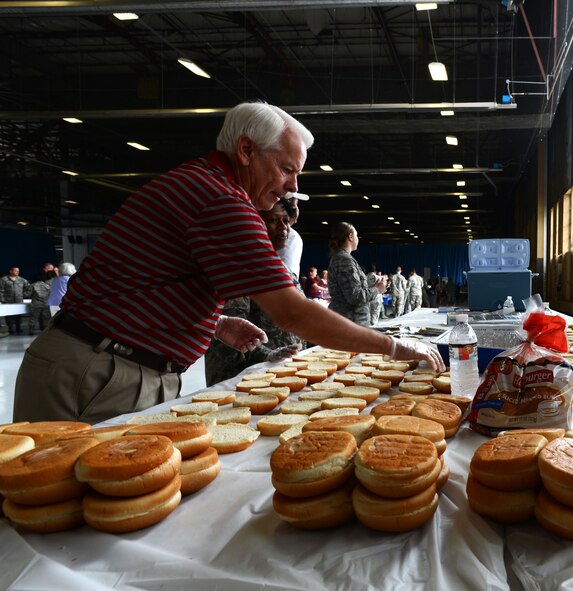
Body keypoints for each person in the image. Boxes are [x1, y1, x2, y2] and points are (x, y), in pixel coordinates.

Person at [13, 101, 443, 424]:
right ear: (245, 150)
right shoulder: (221, 200)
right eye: (286, 169)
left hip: (107, 364)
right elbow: (292, 311)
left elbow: (145, 280)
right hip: (96, 372)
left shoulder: (202, 184)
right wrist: (394, 346)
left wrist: (212, 323)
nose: (293, 186)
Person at [204, 199, 303, 386]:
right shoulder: (239, 267)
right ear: (254, 223)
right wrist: (269, 356)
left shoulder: (280, 267)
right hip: (241, 378)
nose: (283, 228)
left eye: (285, 221)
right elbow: (231, 330)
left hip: (276, 373)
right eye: (273, 220)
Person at [327, 223, 387, 327]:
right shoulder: (344, 260)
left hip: (349, 322)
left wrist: (372, 285)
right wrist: (377, 290)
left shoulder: (342, 258)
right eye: (356, 235)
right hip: (350, 324)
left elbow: (352, 289)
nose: (357, 239)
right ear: (350, 236)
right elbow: (355, 297)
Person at [279, 192, 308, 287]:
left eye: (296, 206)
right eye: (291, 207)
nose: (295, 211)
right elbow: (286, 282)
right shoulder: (291, 236)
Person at [0, 266, 30, 335]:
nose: (17, 272)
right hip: (8, 301)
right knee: (9, 317)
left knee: (18, 316)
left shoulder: (22, 280)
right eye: (16, 271)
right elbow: (1, 290)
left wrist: (24, 295)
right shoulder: (4, 280)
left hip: (18, 301)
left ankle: (18, 328)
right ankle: (10, 329)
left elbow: (28, 288)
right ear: (11, 271)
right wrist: (2, 299)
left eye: (18, 271)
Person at [28, 270, 54, 334]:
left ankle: (31, 331)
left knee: (33, 318)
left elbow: (27, 294)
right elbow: (50, 294)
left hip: (35, 304)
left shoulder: (33, 285)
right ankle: (45, 330)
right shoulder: (47, 286)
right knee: (45, 319)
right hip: (45, 304)